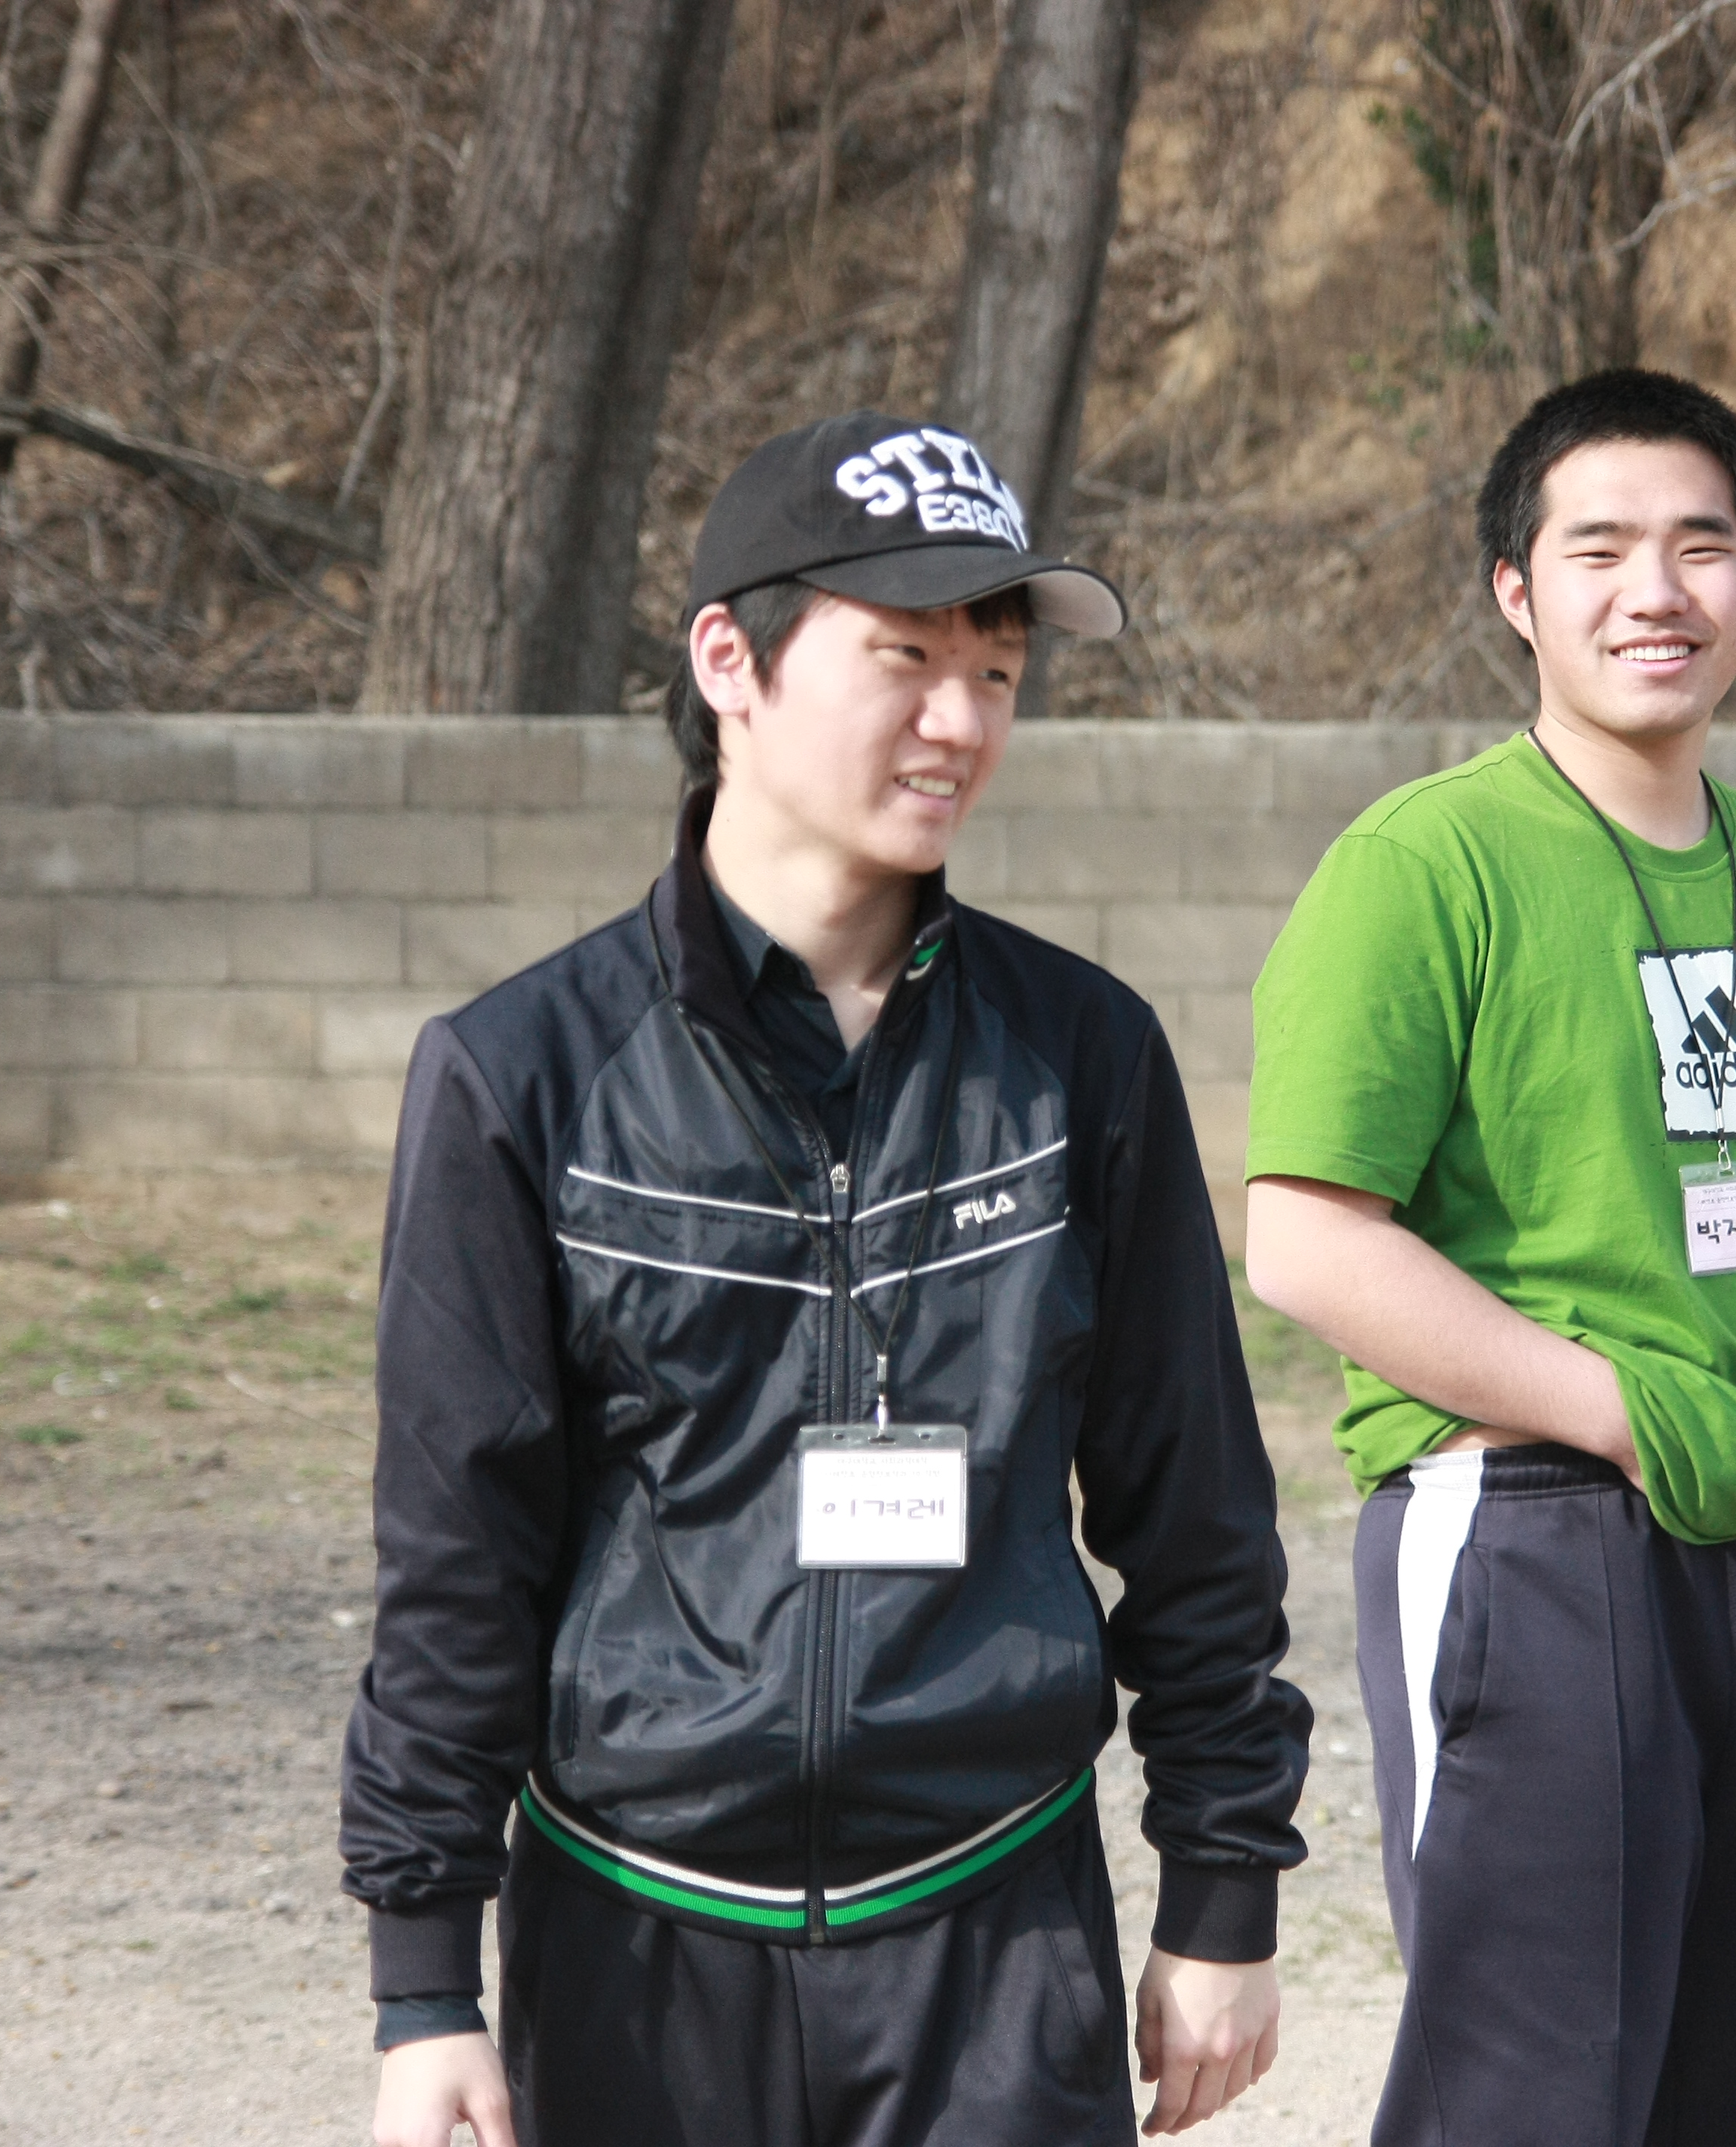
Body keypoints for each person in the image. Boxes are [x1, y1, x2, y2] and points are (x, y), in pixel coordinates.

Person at [339, 411, 1311, 2147]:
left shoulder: (1083, 1055)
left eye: (997, 672)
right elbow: (456, 1552)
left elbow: (1194, 1500)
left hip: (995, 1927)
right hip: (637, 1935)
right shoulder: (520, 1073)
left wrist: (1224, 1879)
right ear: (732, 659)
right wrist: (425, 1981)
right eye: (907, 658)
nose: (962, 721)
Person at [1242, 369, 1736, 2146]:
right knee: (1531, 2099)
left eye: (1703, 545)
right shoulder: (1427, 862)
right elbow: (1303, 1235)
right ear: (1516, 591)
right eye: (1600, 547)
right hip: (1540, 1534)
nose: (1657, 591)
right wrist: (1612, 1408)